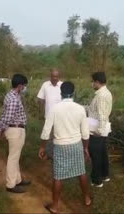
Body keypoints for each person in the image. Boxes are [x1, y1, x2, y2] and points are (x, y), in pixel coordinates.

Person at [39, 81, 91, 214]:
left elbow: (46, 131)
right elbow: (85, 133)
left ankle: (55, 206)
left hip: (60, 146)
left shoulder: (54, 109)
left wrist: (42, 147)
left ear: (61, 93)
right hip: (76, 145)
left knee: (58, 176)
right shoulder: (80, 109)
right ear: (73, 93)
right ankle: (86, 198)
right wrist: (85, 148)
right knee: (81, 172)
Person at [0, 74, 31, 194]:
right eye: (24, 85)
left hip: (16, 129)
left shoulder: (12, 95)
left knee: (15, 156)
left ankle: (17, 179)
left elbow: (3, 114)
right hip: (15, 130)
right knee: (13, 158)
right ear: (19, 85)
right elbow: (7, 117)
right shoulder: (13, 99)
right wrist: (0, 130)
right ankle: (10, 184)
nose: (25, 87)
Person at [88, 71, 113, 187]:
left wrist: (98, 131)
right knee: (102, 154)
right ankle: (104, 175)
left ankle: (97, 180)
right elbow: (96, 110)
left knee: (96, 155)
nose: (91, 84)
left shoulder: (101, 96)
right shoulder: (105, 93)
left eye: (92, 82)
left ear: (97, 82)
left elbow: (102, 115)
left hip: (97, 130)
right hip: (102, 129)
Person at [37, 69, 63, 159]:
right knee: (48, 135)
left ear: (58, 77)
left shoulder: (62, 85)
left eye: (56, 76)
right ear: (50, 76)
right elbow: (40, 99)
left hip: (61, 117)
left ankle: (57, 154)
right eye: (53, 76)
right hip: (48, 116)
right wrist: (41, 112)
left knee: (59, 136)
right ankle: (48, 154)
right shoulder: (45, 85)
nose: (55, 78)